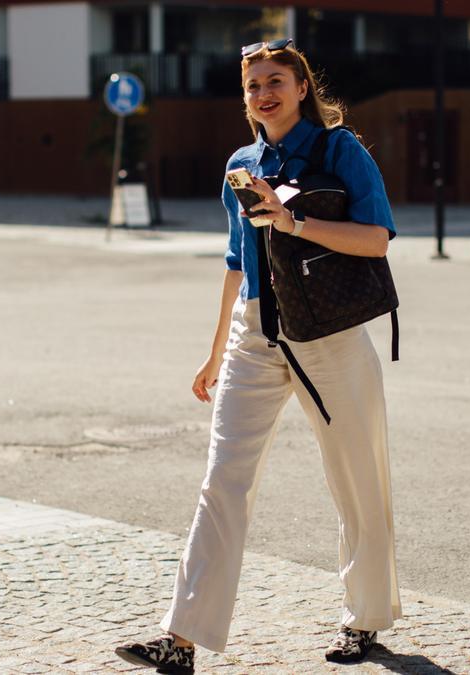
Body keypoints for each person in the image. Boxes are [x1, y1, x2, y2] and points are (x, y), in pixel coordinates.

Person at [115, 38, 401, 674]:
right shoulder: (240, 164)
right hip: (255, 335)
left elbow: (377, 240)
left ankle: (365, 619)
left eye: (276, 80)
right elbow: (237, 264)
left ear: (302, 87)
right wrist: (214, 352)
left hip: (327, 333)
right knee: (223, 481)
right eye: (252, 86)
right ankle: (182, 637)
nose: (264, 93)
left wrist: (293, 221)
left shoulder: (339, 150)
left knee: (358, 481)